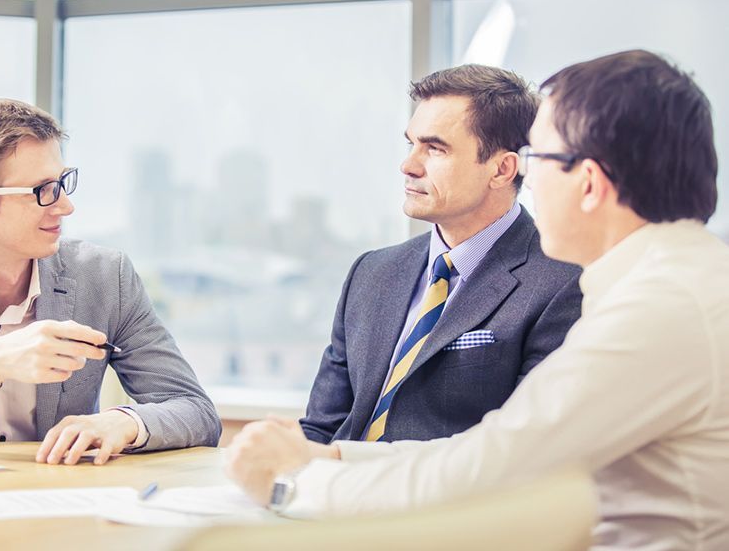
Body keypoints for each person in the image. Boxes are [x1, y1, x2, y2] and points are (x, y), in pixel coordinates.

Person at [227, 50, 729, 549]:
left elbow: (497, 471)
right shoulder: (676, 283)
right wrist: (331, 459)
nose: (527, 179)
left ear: (590, 183)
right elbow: (496, 451)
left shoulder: (658, 310)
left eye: (536, 158)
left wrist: (293, 486)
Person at [0, 98, 221, 464]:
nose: (65, 206)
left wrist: (123, 422)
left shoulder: (107, 276)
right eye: (43, 190)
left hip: (58, 501)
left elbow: (197, 413)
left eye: (62, 182)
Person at [301, 64, 581, 445]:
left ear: (502, 169)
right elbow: (321, 428)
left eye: (435, 148)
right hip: (329, 492)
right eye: (411, 144)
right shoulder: (372, 272)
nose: (409, 165)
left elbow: (521, 452)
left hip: (442, 499)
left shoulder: (563, 284)